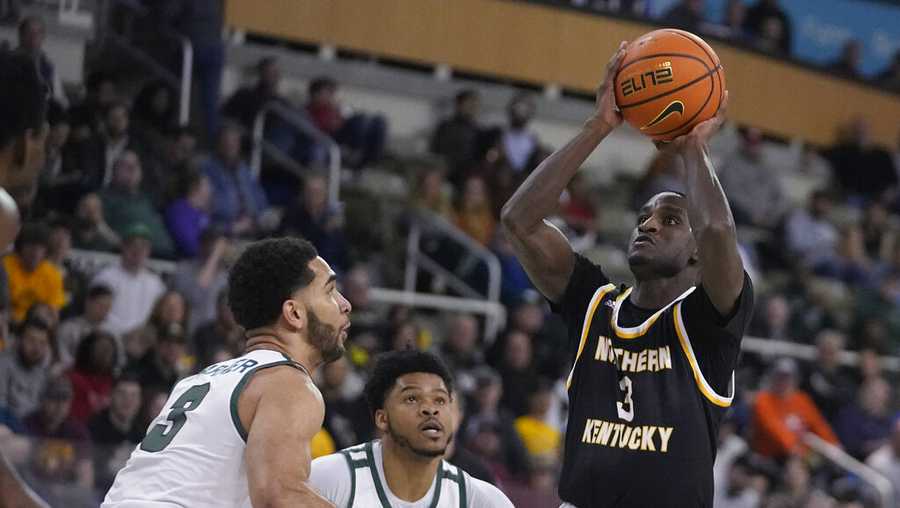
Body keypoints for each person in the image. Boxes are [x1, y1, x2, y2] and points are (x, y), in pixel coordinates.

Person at [501, 43, 753, 507]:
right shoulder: (593, 303)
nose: (649, 224)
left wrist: (692, 145)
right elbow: (519, 221)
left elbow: (717, 229)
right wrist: (598, 126)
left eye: (671, 221)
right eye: (644, 217)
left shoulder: (709, 322)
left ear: (698, 254)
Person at [103, 237, 351, 507]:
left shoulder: (203, 378)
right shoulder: (288, 384)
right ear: (294, 313)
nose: (345, 304)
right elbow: (279, 496)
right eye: (330, 291)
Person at [309, 349, 513, 507]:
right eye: (412, 398)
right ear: (382, 418)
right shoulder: (330, 479)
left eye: (440, 400)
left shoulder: (481, 500)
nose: (430, 409)